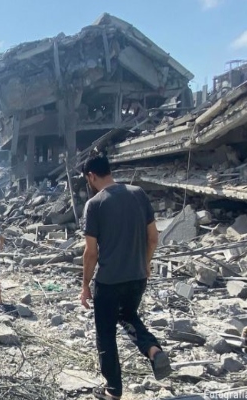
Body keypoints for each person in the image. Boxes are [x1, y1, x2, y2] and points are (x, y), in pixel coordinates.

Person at [79, 154, 172, 400]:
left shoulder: (95, 204)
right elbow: (153, 237)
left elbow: (91, 252)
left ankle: (113, 390)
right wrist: (146, 263)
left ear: (91, 176)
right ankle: (153, 350)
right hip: (137, 277)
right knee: (128, 315)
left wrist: (85, 284)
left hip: (109, 281)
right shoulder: (138, 193)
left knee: (106, 334)